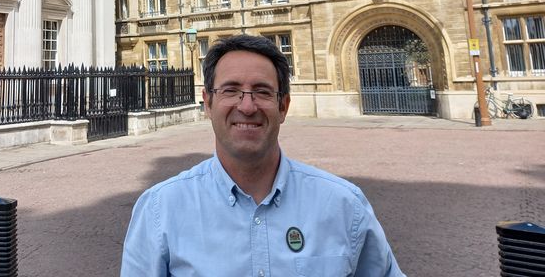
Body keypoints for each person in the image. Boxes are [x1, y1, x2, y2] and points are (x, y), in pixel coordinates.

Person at [121, 34, 404, 276]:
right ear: (208, 104)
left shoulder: (344, 205)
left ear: (283, 106)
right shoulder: (160, 210)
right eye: (231, 90)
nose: (247, 106)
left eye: (262, 91)